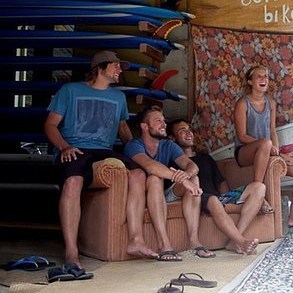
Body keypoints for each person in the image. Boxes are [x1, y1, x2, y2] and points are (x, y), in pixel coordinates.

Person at [44, 51, 156, 271]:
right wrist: (64, 146)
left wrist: (137, 152)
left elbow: (123, 129)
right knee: (73, 182)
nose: (120, 70)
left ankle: (135, 240)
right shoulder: (70, 90)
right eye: (116, 66)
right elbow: (50, 125)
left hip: (104, 151)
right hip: (74, 148)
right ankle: (71, 252)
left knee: (139, 174)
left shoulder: (119, 97)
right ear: (101, 67)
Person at [124, 106, 215, 261]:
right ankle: (164, 244)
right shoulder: (134, 145)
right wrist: (181, 179)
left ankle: (194, 240)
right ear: (144, 126)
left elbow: (193, 166)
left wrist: (186, 176)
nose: (163, 124)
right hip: (145, 194)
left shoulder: (168, 145)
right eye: (158, 120)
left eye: (164, 120)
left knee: (194, 178)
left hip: (164, 193)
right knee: (154, 178)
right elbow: (150, 166)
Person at [234, 65, 293, 228]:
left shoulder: (270, 102)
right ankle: (258, 192)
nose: (264, 79)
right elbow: (242, 135)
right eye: (259, 76)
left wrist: (275, 150)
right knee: (265, 143)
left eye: (266, 76)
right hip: (245, 152)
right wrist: (266, 145)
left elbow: (272, 131)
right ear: (250, 81)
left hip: (267, 149)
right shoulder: (243, 103)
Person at [168, 119, 261, 255]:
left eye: (189, 129)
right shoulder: (173, 162)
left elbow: (221, 182)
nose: (188, 133)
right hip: (199, 197)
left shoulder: (205, 158)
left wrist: (228, 198)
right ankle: (241, 241)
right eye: (182, 130)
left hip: (217, 197)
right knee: (213, 200)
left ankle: (233, 241)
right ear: (172, 138)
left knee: (259, 188)